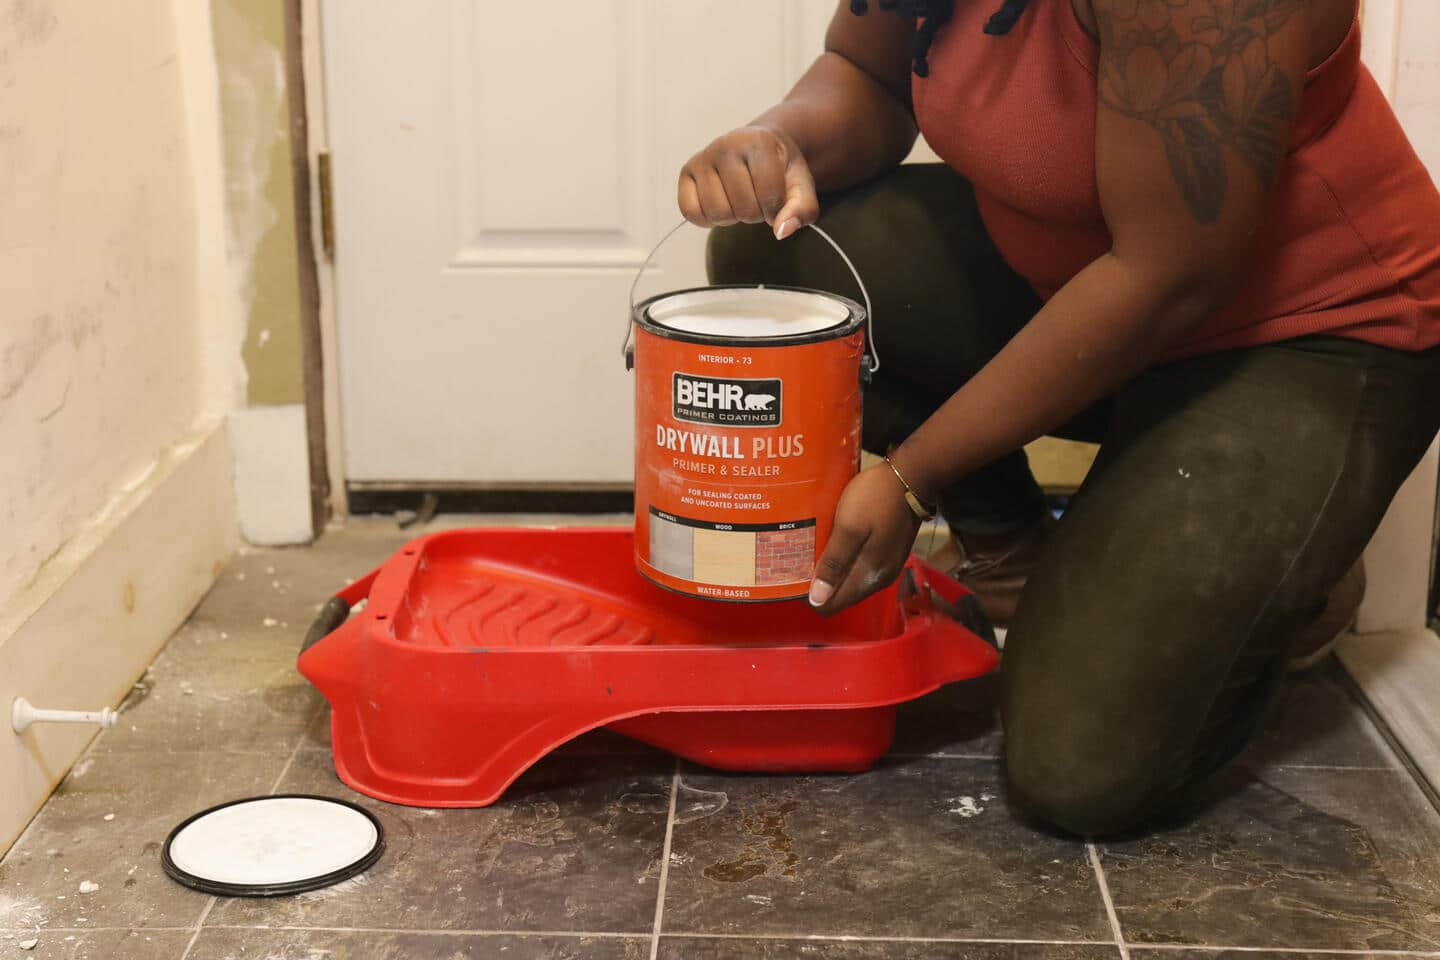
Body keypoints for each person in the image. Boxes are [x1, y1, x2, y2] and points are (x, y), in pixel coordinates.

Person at [677, 0, 1440, 836]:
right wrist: (779, 139)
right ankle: (1017, 553)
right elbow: (867, 76)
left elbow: (1172, 279)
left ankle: (1285, 561)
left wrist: (912, 476)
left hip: (1303, 336)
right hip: (1087, 282)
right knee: (778, 258)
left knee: (1076, 768)